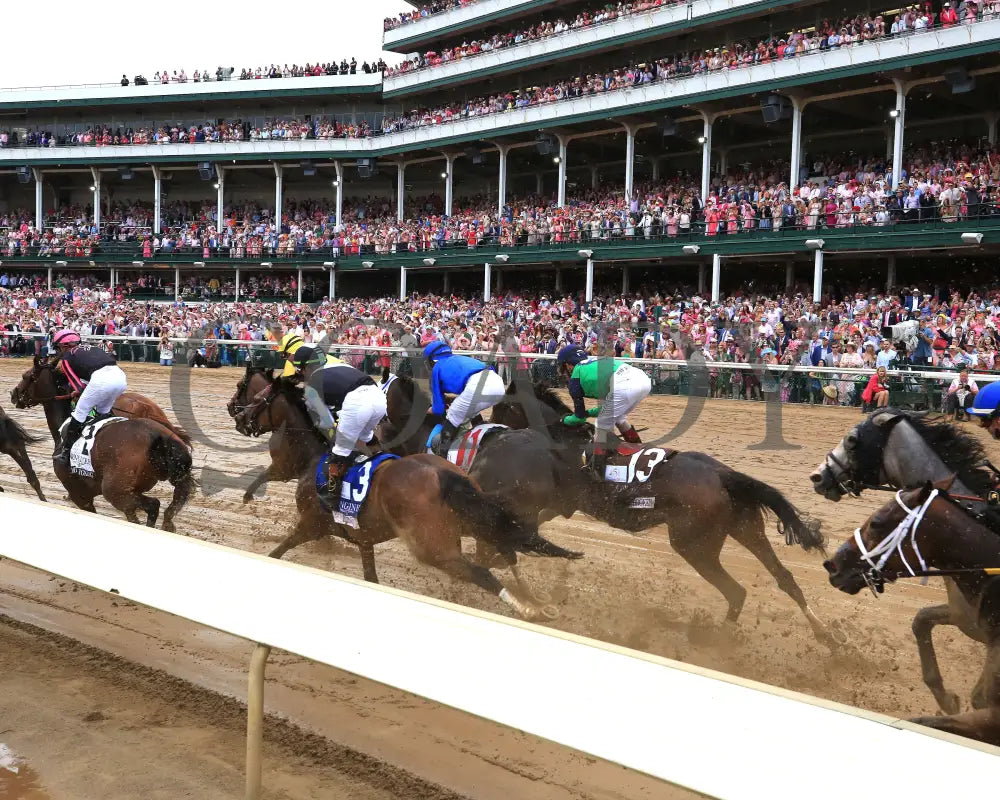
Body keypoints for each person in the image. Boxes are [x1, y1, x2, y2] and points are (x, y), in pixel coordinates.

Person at [293, 346, 387, 505]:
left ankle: (332, 493)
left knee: (340, 449)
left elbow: (327, 422)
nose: (301, 374)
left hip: (357, 403)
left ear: (308, 367)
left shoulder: (312, 386)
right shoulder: (339, 365)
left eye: (300, 369)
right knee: (365, 437)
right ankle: (381, 456)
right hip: (379, 399)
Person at [556, 345, 652, 476]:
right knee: (619, 418)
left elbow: (579, 418)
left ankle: (596, 469)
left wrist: (564, 419)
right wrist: (588, 412)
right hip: (643, 380)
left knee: (600, 425)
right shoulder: (592, 364)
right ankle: (638, 447)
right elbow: (606, 407)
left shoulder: (575, 378)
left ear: (568, 365)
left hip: (625, 385)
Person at [52, 329, 128, 464]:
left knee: (79, 413)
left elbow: (78, 386)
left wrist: (77, 392)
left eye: (58, 348)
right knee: (103, 413)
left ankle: (66, 453)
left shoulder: (66, 358)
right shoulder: (93, 347)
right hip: (120, 378)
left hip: (101, 380)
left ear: (64, 346)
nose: (59, 352)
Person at [423, 340, 506, 457]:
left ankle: (442, 457)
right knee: (467, 409)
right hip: (497, 383)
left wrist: (426, 410)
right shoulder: (458, 359)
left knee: (453, 414)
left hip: (478, 386)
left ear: (431, 360)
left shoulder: (437, 367)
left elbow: (438, 409)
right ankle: (480, 428)